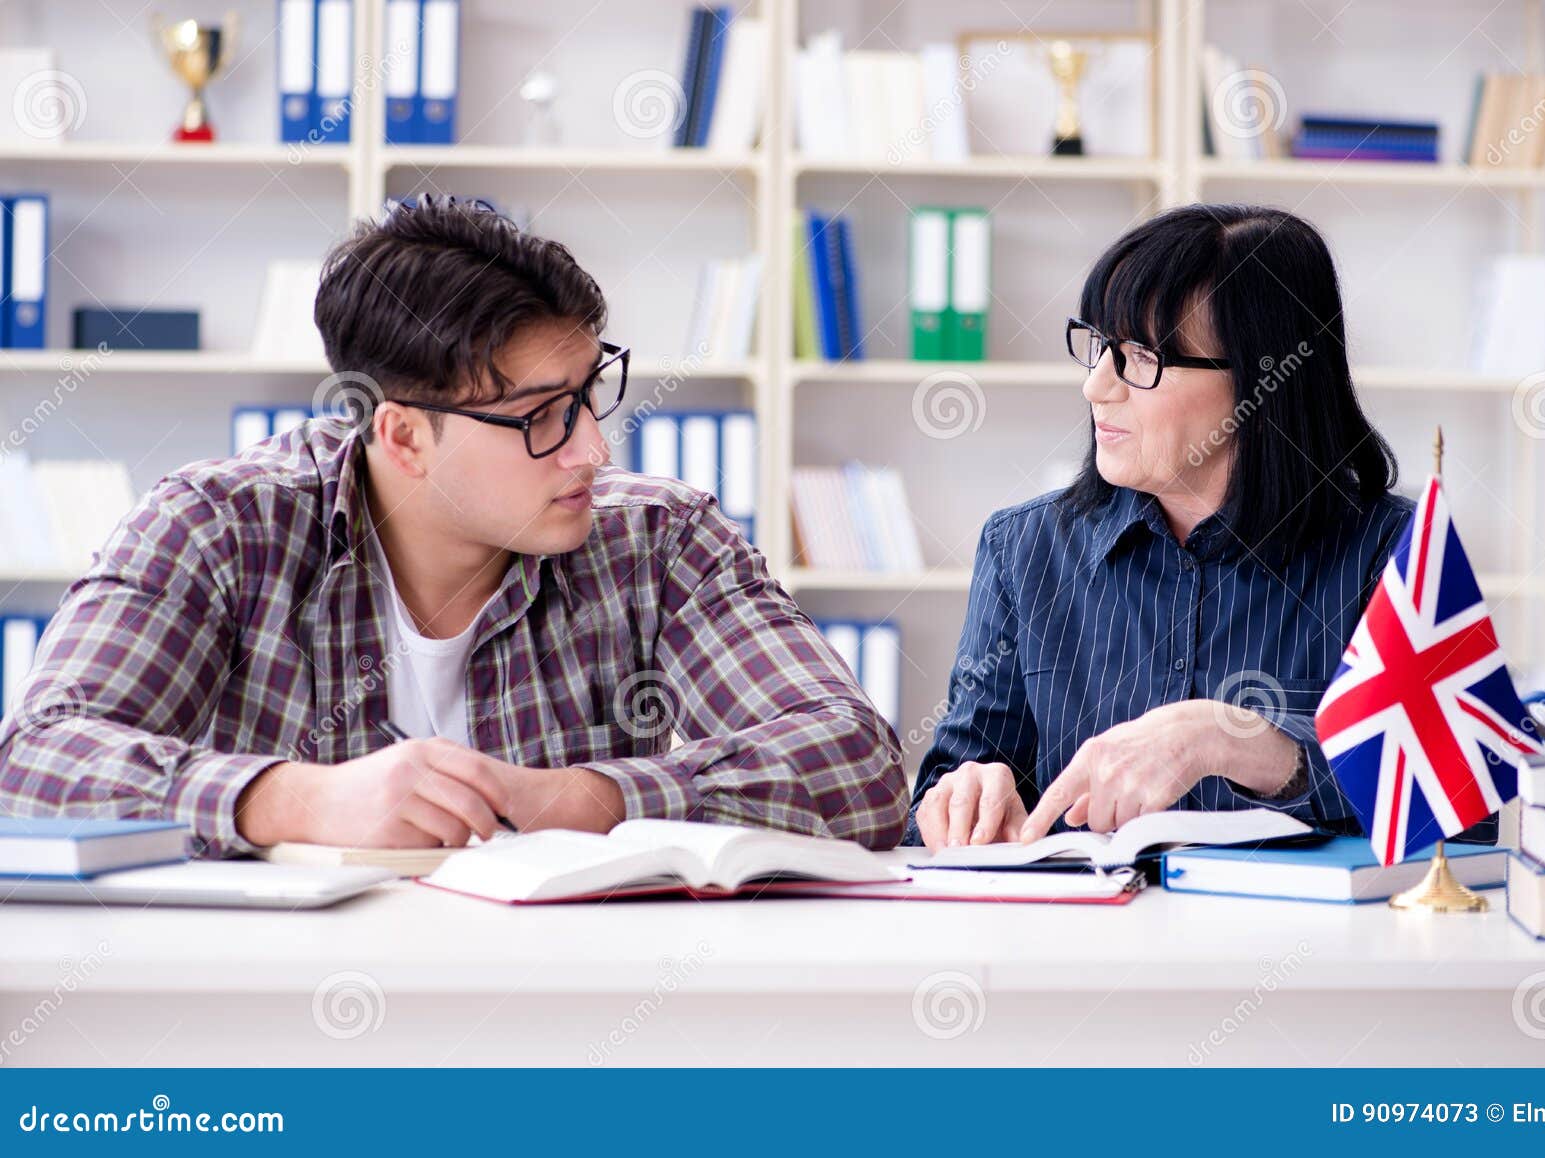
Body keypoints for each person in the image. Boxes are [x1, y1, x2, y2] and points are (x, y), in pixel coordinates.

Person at [0, 196, 905, 856]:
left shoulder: (658, 540)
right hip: (275, 1008)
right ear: (402, 435)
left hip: (566, 1005)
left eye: (589, 395)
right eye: (541, 416)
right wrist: (296, 802)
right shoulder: (218, 528)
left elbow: (857, 764)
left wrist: (579, 800)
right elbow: (31, 764)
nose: (593, 450)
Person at [911, 203, 1422, 851]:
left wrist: (1238, 744)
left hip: (1292, 919)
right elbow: (947, 791)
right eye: (1099, 347)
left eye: (1141, 357)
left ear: (1263, 380)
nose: (1097, 387)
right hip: (1082, 917)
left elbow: (1456, 805)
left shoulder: (1393, 551)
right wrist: (965, 796)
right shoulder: (1024, 550)